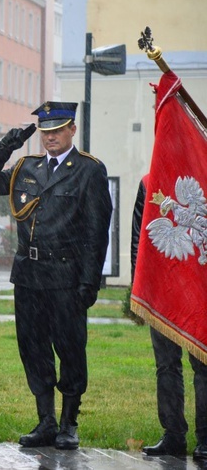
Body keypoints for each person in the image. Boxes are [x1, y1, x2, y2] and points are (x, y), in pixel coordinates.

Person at [0, 101, 112, 450]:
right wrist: (7, 146)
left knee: (70, 350)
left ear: (72, 130)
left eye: (58, 130)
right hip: (29, 274)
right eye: (46, 132)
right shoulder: (26, 167)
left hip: (66, 275)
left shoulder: (88, 170)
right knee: (33, 349)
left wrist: (89, 282)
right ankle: (45, 421)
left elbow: (97, 231)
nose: (51, 137)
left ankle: (69, 423)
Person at [133, 175, 207, 459]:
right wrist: (140, 288)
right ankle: (173, 435)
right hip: (163, 288)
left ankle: (205, 439)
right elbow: (139, 239)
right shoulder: (149, 182)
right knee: (166, 366)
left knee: (203, 367)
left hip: (200, 289)